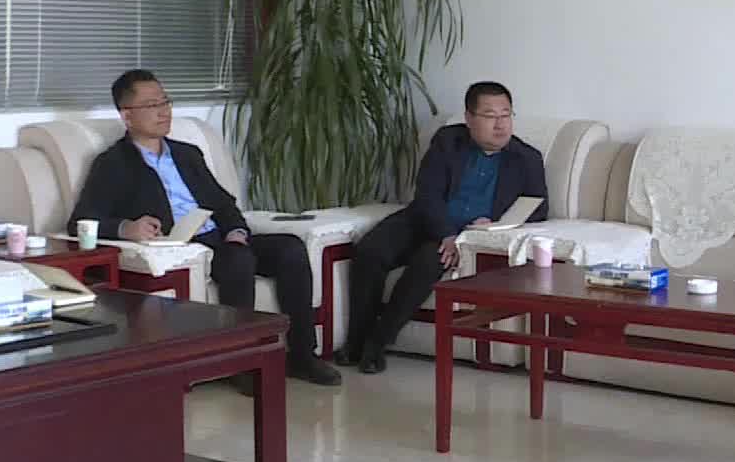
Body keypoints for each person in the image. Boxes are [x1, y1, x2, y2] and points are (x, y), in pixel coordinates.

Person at [68, 70, 340, 386]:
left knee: (290, 248)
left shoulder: (187, 154)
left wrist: (236, 230)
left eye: (166, 102)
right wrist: (126, 227)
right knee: (239, 261)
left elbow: (223, 204)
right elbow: (79, 221)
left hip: (219, 238)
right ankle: (241, 365)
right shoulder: (113, 163)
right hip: (185, 248)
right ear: (127, 116)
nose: (164, 111)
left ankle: (303, 356)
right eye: (152, 105)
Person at [342, 82, 548, 375]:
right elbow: (427, 193)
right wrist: (446, 232)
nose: (500, 125)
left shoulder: (527, 158)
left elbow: (539, 208)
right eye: (490, 115)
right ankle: (355, 340)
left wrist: (494, 225)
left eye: (506, 115)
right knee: (369, 251)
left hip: (467, 233)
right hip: (424, 219)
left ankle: (378, 343)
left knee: (430, 261)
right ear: (469, 118)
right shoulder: (448, 141)